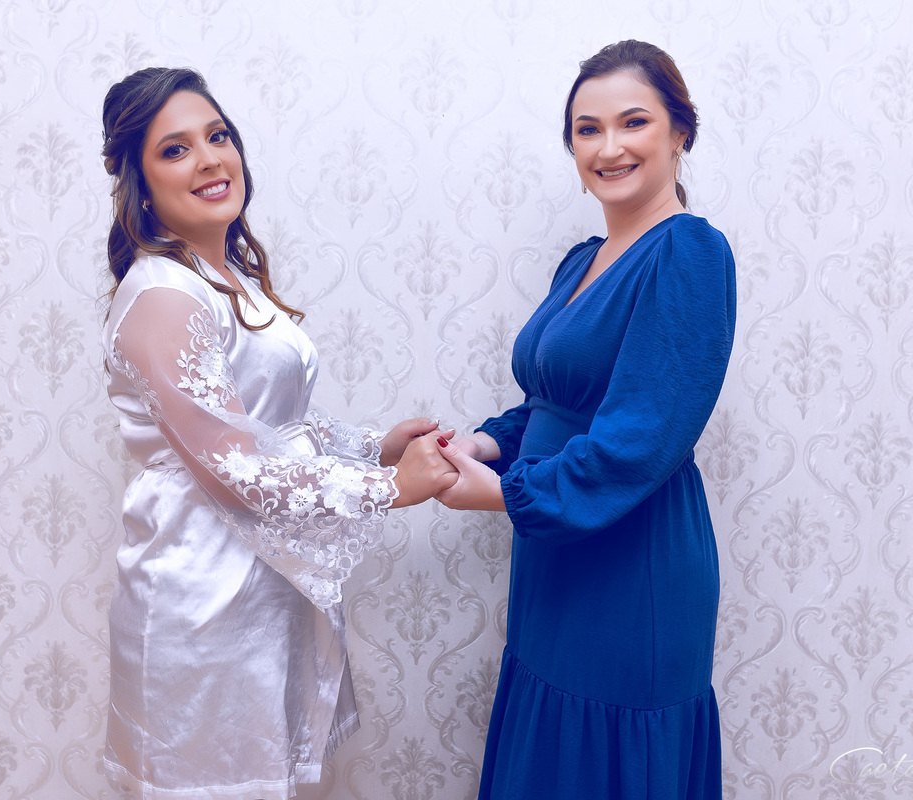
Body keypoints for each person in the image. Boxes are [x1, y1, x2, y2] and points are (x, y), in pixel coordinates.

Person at [98, 67, 455, 800]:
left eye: (217, 136)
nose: (208, 160)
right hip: (202, 596)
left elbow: (266, 424)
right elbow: (236, 467)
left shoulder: (224, 275)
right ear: (140, 184)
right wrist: (388, 488)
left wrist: (371, 448)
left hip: (257, 588)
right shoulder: (164, 293)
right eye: (175, 149)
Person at [430, 40, 735, 799]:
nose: (608, 147)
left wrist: (506, 494)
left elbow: (643, 436)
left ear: (680, 131)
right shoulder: (583, 258)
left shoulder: (690, 252)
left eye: (633, 122)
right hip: (555, 544)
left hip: (633, 551)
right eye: (587, 129)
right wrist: (486, 443)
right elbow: (551, 403)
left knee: (608, 756)